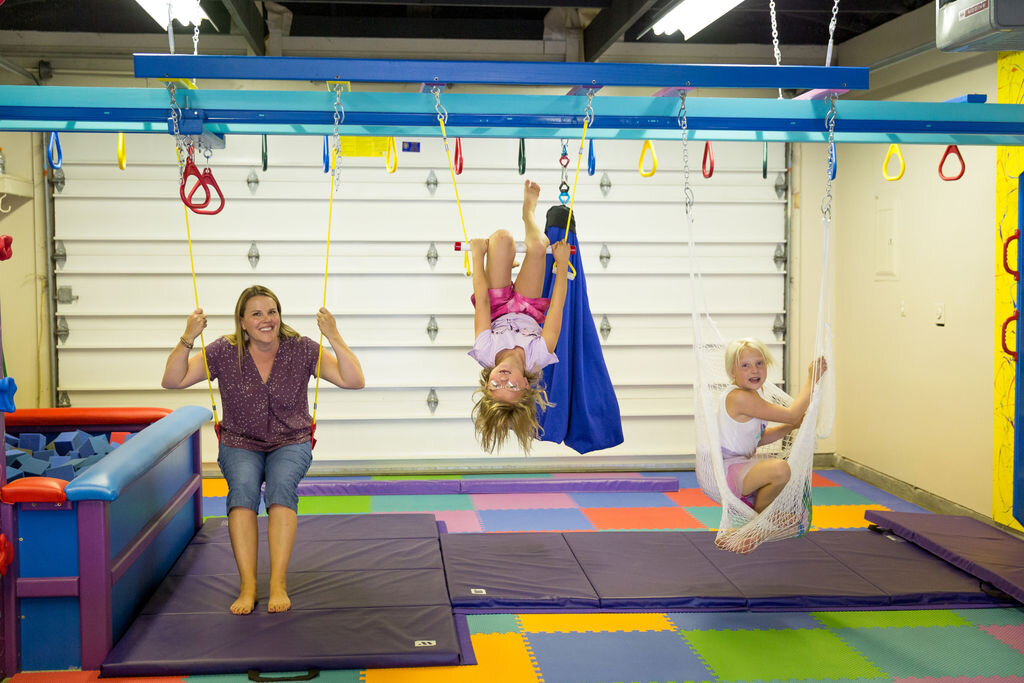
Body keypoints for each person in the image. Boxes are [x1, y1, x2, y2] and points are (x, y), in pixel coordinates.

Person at [161, 285, 365, 615]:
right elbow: (173, 380)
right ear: (242, 322)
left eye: (272, 312)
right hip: (240, 442)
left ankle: (278, 584)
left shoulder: (300, 349)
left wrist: (334, 335)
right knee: (242, 490)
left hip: (291, 440)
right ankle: (248, 587)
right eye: (256, 314)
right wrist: (188, 337)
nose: (266, 320)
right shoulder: (224, 351)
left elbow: (354, 380)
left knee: (281, 488)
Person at [469, 179, 571, 453]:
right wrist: (561, 267)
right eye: (511, 385)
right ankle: (528, 213)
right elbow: (556, 310)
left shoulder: (485, 351)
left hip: (497, 304)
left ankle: (503, 260)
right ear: (525, 385)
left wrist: (477, 257)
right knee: (539, 246)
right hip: (528, 306)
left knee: (501, 239)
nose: (503, 378)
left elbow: (482, 305)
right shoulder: (539, 355)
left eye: (495, 385)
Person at [718, 337, 826, 514]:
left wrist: (792, 426)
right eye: (745, 366)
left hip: (740, 464)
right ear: (732, 372)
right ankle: (758, 523)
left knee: (790, 483)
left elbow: (757, 439)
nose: (754, 370)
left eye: (759, 363)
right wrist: (811, 379)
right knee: (781, 469)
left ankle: (756, 523)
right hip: (728, 471)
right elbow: (791, 415)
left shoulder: (754, 393)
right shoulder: (740, 397)